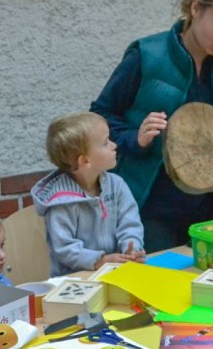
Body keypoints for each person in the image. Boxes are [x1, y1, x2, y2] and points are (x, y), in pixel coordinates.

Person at [90, 0, 213, 252]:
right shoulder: (146, 55)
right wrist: (135, 138)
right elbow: (99, 116)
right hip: (148, 208)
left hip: (208, 211)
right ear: (195, 8)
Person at [31, 112, 146, 276]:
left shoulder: (117, 185)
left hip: (115, 273)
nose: (114, 145)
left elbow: (130, 223)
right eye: (106, 142)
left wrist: (132, 248)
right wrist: (99, 261)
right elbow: (65, 249)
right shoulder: (60, 202)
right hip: (75, 280)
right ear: (85, 161)